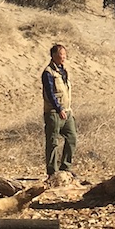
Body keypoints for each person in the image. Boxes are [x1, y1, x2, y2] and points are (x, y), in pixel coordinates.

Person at [41, 42, 77, 179]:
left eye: (65, 54)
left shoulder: (63, 70)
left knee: (72, 138)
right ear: (54, 55)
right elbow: (50, 93)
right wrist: (58, 108)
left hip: (67, 112)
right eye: (61, 54)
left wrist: (67, 109)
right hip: (54, 113)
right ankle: (52, 172)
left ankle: (66, 167)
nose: (64, 57)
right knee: (53, 142)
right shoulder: (48, 73)